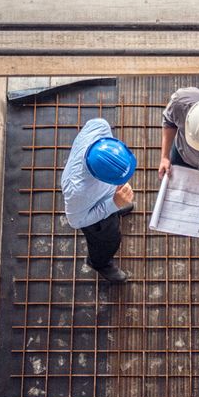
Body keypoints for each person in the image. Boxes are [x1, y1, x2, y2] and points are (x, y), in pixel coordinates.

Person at [61, 118, 137, 283]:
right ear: (99, 178)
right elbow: (76, 221)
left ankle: (117, 207)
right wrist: (113, 204)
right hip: (91, 209)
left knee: (116, 209)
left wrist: (116, 197)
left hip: (104, 195)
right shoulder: (78, 192)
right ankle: (99, 263)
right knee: (109, 240)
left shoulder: (99, 127)